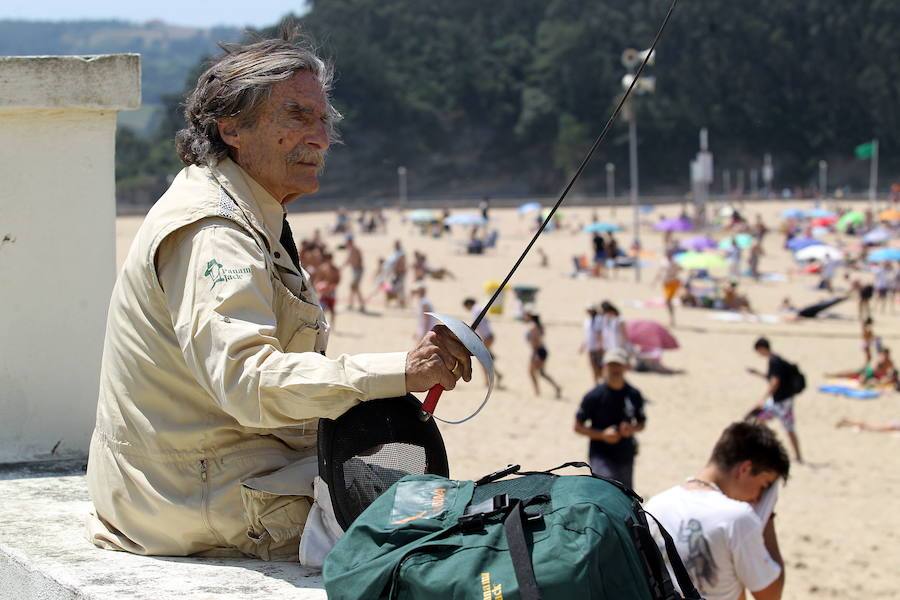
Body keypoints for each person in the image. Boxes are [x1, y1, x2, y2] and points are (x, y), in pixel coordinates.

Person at [85, 29, 473, 560]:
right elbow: (248, 382)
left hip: (196, 478)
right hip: (194, 500)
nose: (320, 137)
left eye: (322, 119)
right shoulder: (214, 231)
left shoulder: (239, 204)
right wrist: (402, 370)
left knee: (435, 506)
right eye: (296, 116)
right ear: (232, 128)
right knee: (448, 530)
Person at [645, 422, 790, 600]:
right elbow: (770, 595)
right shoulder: (737, 518)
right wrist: (767, 516)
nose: (758, 497)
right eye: (764, 485)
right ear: (745, 469)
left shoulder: (656, 505)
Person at [573, 348, 646, 489]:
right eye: (611, 365)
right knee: (605, 491)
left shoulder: (633, 394)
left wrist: (631, 429)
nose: (615, 369)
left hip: (626, 454)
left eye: (618, 364)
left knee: (626, 496)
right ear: (604, 367)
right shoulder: (594, 396)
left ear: (626, 367)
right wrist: (602, 435)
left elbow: (642, 423)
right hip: (600, 455)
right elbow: (577, 426)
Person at [746, 338, 803, 463]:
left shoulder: (774, 361)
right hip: (786, 399)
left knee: (759, 420)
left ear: (762, 348)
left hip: (780, 401)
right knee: (788, 428)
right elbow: (772, 378)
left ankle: (768, 447)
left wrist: (763, 399)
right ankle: (798, 456)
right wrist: (757, 373)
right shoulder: (777, 359)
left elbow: (775, 382)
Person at [463, 297, 504, 388]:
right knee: (484, 359)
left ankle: (487, 381)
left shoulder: (475, 309)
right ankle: (497, 374)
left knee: (482, 360)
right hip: (488, 336)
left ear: (468, 304)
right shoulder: (479, 308)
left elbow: (476, 324)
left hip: (487, 337)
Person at [525, 311, 562, 398]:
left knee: (532, 372)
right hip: (541, 350)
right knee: (541, 373)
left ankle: (537, 391)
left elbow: (535, 342)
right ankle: (556, 387)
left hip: (537, 351)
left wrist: (535, 354)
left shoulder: (532, 327)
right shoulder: (538, 326)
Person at [313, 251, 340, 327]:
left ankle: (332, 326)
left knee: (332, 310)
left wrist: (331, 287)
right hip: (324, 292)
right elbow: (317, 279)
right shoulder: (322, 268)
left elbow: (337, 280)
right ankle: (320, 325)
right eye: (327, 259)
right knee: (321, 310)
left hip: (332, 292)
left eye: (330, 259)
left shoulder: (335, 269)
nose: (329, 261)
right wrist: (318, 287)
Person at [578, 304, 604, 384]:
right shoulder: (587, 321)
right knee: (593, 367)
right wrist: (583, 345)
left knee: (600, 368)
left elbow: (600, 333)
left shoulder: (599, 320)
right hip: (590, 347)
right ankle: (596, 384)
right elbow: (587, 335)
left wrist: (600, 345)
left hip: (598, 348)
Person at [656, 251, 682, 326]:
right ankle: (671, 318)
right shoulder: (663, 262)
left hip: (673, 283)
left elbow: (680, 269)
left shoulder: (674, 262)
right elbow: (660, 272)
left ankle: (672, 318)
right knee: (668, 301)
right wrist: (655, 281)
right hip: (665, 283)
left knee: (668, 300)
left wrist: (674, 271)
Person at [341, 234, 366, 312]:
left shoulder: (355, 249)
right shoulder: (352, 249)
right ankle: (353, 304)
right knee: (354, 288)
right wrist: (342, 267)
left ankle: (359, 305)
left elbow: (356, 261)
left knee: (355, 287)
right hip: (355, 270)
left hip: (358, 270)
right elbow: (349, 260)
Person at [836, 418, 900, 433]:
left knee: (869, 426)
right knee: (870, 426)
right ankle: (847, 421)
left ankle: (847, 422)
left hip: (894, 425)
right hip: (894, 425)